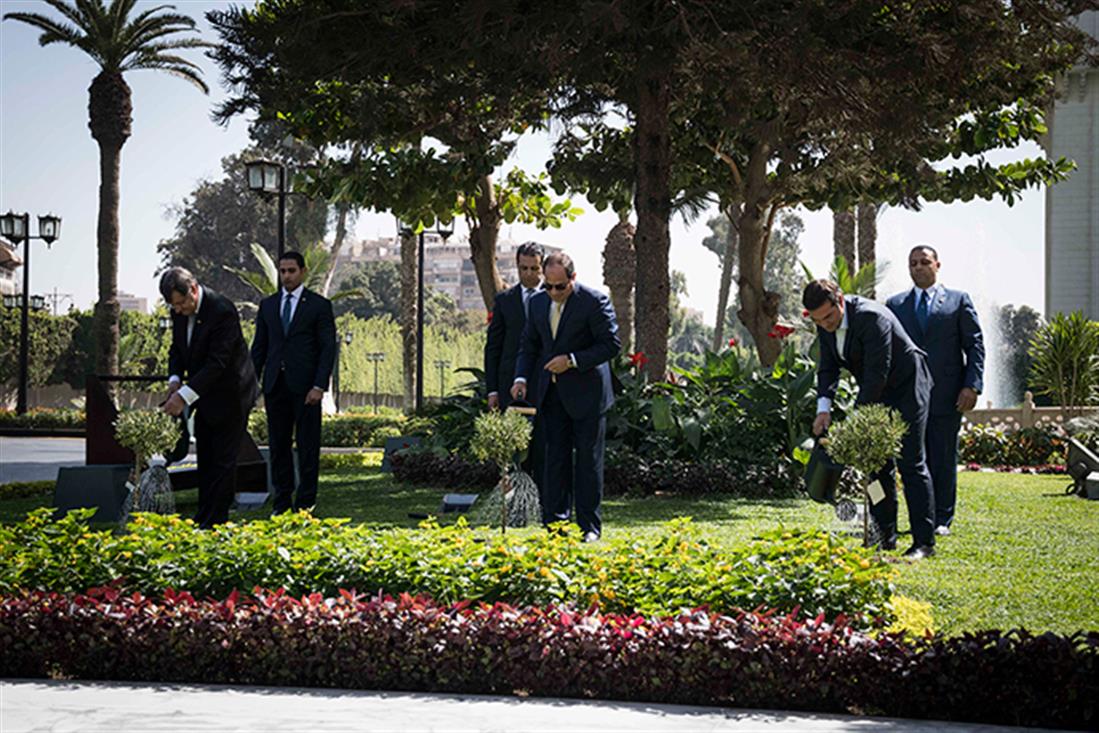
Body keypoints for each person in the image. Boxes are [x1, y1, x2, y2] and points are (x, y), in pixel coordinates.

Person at [803, 279, 937, 559]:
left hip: (907, 389)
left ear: (840, 300)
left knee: (910, 463)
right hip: (875, 390)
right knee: (875, 469)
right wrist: (823, 409)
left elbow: (878, 373)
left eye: (828, 317)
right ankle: (883, 536)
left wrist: (854, 425)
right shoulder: (825, 324)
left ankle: (924, 543)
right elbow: (827, 368)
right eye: (818, 321)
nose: (825, 325)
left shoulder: (872, 317)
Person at [511, 251, 619, 542]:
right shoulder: (537, 303)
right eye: (548, 286)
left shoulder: (595, 302)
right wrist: (520, 378)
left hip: (588, 396)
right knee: (554, 460)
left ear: (573, 278)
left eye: (560, 286)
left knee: (587, 463)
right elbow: (529, 345)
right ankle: (556, 524)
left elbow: (611, 345)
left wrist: (571, 360)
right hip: (551, 394)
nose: (554, 292)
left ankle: (589, 528)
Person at [887, 245, 984, 536]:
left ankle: (942, 518)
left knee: (942, 458)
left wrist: (972, 385)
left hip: (947, 395)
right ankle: (921, 518)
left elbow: (974, 345)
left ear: (937, 265)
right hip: (907, 396)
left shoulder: (958, 300)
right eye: (913, 263)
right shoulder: (895, 304)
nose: (918, 267)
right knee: (912, 460)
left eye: (924, 262)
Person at [160, 267, 259, 528]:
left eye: (181, 303)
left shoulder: (222, 310)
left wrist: (182, 398)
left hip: (233, 393)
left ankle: (216, 522)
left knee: (223, 460)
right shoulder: (178, 312)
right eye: (174, 306)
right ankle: (203, 517)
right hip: (203, 392)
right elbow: (177, 350)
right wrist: (174, 380)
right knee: (205, 457)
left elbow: (218, 363)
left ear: (193, 289)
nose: (178, 310)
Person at [250, 251, 336, 514]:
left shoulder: (319, 306)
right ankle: (282, 502)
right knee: (278, 447)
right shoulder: (268, 305)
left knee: (308, 447)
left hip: (307, 388)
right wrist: (251, 385)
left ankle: (306, 502)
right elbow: (259, 348)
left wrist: (319, 386)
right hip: (275, 386)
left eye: (291, 271)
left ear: (303, 271)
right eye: (283, 271)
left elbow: (327, 349)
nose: (286, 276)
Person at [485, 242, 546, 501]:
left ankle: (540, 500)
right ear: (517, 266)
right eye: (524, 268)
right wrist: (492, 390)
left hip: (544, 383)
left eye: (534, 268)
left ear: (542, 268)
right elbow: (493, 348)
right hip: (510, 386)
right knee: (512, 450)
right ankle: (512, 503)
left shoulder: (554, 298)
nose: (529, 274)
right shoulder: (505, 301)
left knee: (542, 446)